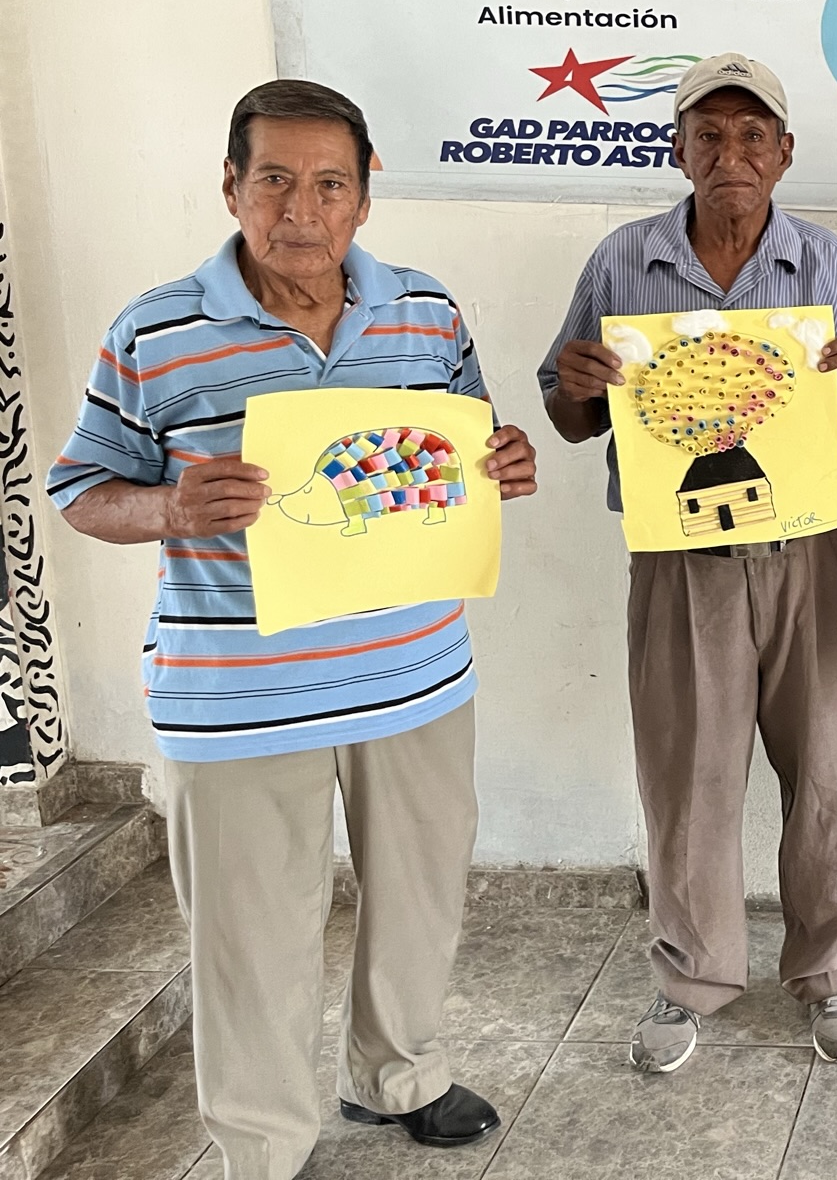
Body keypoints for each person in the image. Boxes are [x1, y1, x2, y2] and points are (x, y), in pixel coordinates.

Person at [47, 80, 538, 1179]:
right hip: (241, 695)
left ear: (365, 196)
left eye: (329, 185)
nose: (301, 211)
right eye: (274, 180)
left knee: (419, 902)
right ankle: (263, 1147)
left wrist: (502, 462)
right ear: (232, 186)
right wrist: (170, 509)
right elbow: (80, 490)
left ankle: (399, 1076)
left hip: (415, 677)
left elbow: (467, 442)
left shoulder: (425, 310)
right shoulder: (156, 330)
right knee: (251, 938)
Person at [539, 52, 837, 1073]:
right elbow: (570, 419)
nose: (730, 153)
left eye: (751, 135)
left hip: (805, 551)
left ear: (784, 152)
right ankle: (689, 978)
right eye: (708, 134)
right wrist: (574, 386)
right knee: (687, 776)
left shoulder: (824, 262)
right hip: (680, 557)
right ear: (678, 149)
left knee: (826, 771)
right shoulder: (624, 260)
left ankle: (834, 975)